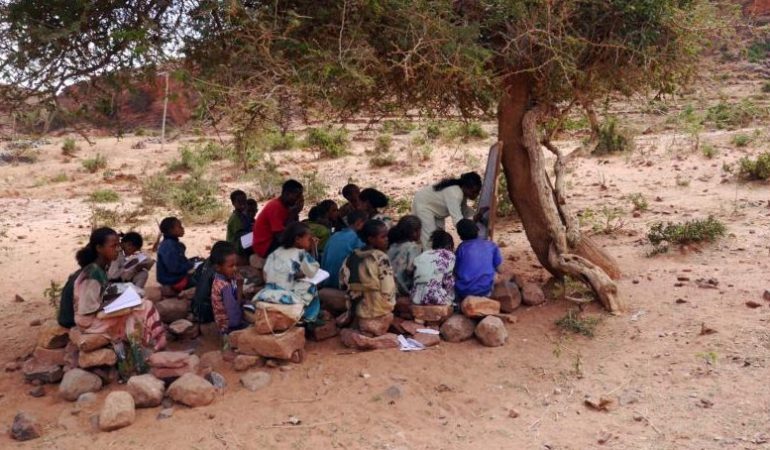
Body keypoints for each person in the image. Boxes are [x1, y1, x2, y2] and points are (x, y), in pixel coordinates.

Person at [73, 227, 166, 351]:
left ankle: (153, 339)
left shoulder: (100, 268)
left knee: (141, 304)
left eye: (118, 245)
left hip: (96, 314)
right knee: (142, 308)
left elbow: (101, 292)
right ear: (99, 248)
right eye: (113, 246)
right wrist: (118, 303)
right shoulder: (92, 274)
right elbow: (87, 310)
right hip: (89, 322)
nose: (118, 249)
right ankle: (150, 342)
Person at [253, 222, 322, 322]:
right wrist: (313, 248)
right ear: (298, 240)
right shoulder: (300, 253)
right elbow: (312, 270)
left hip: (268, 293)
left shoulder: (276, 252)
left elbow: (266, 275)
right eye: (309, 239)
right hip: (285, 295)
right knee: (312, 287)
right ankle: (308, 318)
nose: (310, 241)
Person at [339, 219, 396, 334]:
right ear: (371, 239)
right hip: (377, 308)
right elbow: (388, 288)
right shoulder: (380, 257)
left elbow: (342, 282)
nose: (387, 239)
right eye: (383, 237)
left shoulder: (352, 255)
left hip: (355, 305)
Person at [412, 172, 483, 248]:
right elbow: (458, 221)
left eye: (477, 192)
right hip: (424, 205)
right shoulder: (455, 194)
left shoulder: (461, 191)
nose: (476, 195)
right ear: (465, 187)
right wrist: (471, 229)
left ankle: (433, 257)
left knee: (439, 238)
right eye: (473, 192)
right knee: (430, 240)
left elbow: (464, 210)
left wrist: (478, 214)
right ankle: (428, 258)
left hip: (435, 209)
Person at [251, 179, 304, 261]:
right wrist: (293, 214)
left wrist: (295, 213)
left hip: (273, 241)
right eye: (297, 196)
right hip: (265, 246)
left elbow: (292, 226)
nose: (299, 199)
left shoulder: (286, 206)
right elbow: (282, 237)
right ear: (287, 194)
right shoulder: (275, 207)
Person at [454, 219, 502, 299]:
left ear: (460, 236)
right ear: (477, 230)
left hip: (463, 291)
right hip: (485, 290)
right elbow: (500, 269)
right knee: (495, 275)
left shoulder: (461, 248)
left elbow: (456, 269)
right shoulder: (491, 245)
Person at [321, 210, 367, 289]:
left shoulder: (335, 235)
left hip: (325, 280)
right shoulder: (356, 239)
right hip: (339, 283)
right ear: (358, 223)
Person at [209, 241, 246, 336]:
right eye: (231, 266)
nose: (235, 269)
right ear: (218, 268)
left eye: (236, 265)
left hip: (223, 324)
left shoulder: (218, 278)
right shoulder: (225, 286)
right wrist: (240, 287)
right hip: (229, 327)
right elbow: (233, 315)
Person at [411, 230, 456, 305]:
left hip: (416, 297)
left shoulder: (423, 255)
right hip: (437, 297)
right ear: (449, 246)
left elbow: (411, 270)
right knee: (450, 277)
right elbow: (448, 281)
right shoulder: (449, 255)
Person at [386, 215, 422, 296]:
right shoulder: (413, 247)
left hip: (388, 285)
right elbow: (410, 269)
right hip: (402, 289)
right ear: (415, 232)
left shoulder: (392, 245)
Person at [226, 190, 252, 263]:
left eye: (244, 201)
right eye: (239, 201)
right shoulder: (235, 218)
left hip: (241, 243)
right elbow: (241, 235)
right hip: (235, 246)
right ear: (233, 203)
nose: (242, 203)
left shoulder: (243, 215)